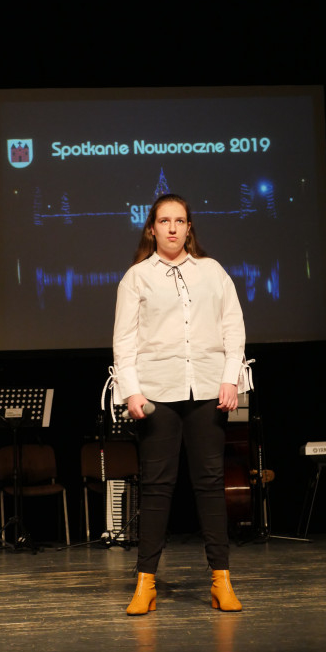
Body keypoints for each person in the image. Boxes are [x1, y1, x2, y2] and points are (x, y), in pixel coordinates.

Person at [111, 193, 252, 615]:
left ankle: (221, 581)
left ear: (189, 228)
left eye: (179, 221)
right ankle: (145, 583)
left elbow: (233, 328)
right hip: (156, 392)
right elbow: (124, 341)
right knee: (156, 487)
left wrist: (229, 378)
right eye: (164, 221)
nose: (172, 228)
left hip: (208, 389)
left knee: (210, 484)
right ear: (151, 228)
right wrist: (132, 390)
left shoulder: (212, 272)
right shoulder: (136, 278)